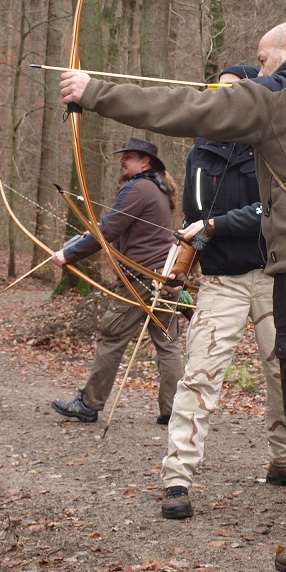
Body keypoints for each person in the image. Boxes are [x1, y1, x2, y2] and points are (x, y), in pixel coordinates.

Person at [60, 21, 286, 572]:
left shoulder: (275, 98)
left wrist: (93, 92)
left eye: (264, 57)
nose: (260, 68)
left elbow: (185, 109)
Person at [160, 64, 286, 522]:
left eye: (232, 91)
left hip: (272, 275)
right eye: (215, 91)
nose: (221, 98)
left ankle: (285, 460)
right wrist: (179, 266)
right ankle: (177, 477)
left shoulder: (271, 142)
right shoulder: (201, 150)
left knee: (284, 371)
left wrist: (215, 225)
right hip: (221, 281)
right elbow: (192, 216)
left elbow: (275, 208)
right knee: (199, 374)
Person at [51, 137, 183, 425]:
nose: (123, 161)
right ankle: (174, 411)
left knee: (111, 337)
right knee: (167, 343)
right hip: (163, 277)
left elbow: (109, 232)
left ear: (144, 162)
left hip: (140, 280)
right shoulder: (156, 188)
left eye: (129, 157)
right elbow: (119, 227)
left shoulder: (138, 188)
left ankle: (88, 404)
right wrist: (95, 230)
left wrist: (68, 255)